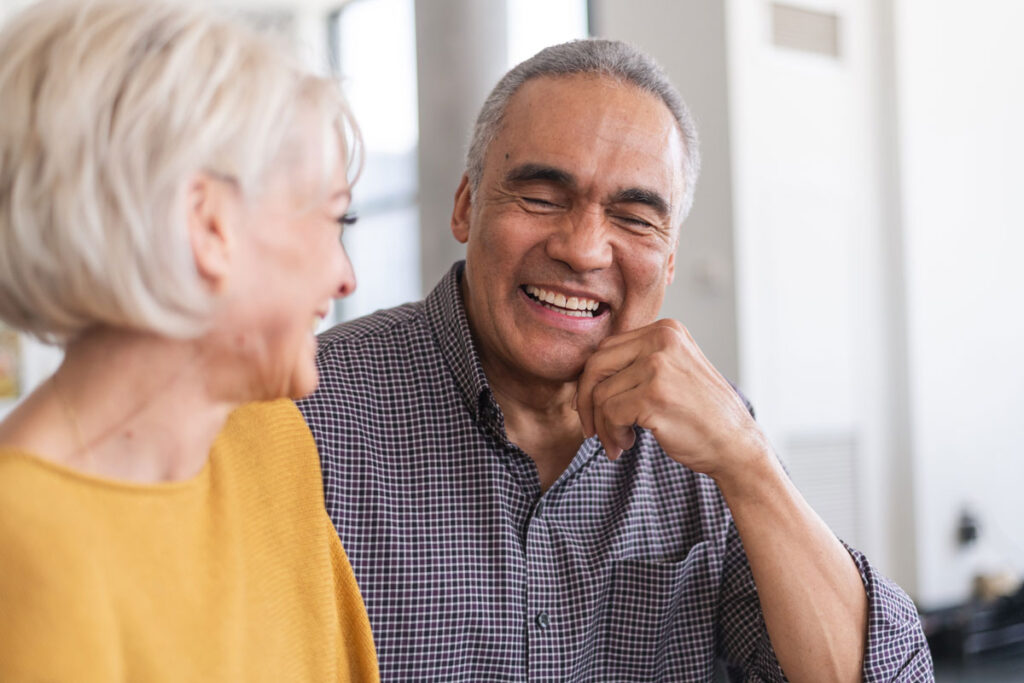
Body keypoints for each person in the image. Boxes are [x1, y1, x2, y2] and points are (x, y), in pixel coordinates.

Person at [299, 38, 932, 681]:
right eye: (543, 198)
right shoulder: (309, 409)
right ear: (466, 205)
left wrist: (748, 461)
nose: (583, 250)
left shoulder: (711, 444)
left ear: (671, 257)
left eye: (633, 218)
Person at [0, 1, 378, 680]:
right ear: (209, 225)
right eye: (332, 217)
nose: (346, 276)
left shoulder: (272, 440)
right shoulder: (20, 542)